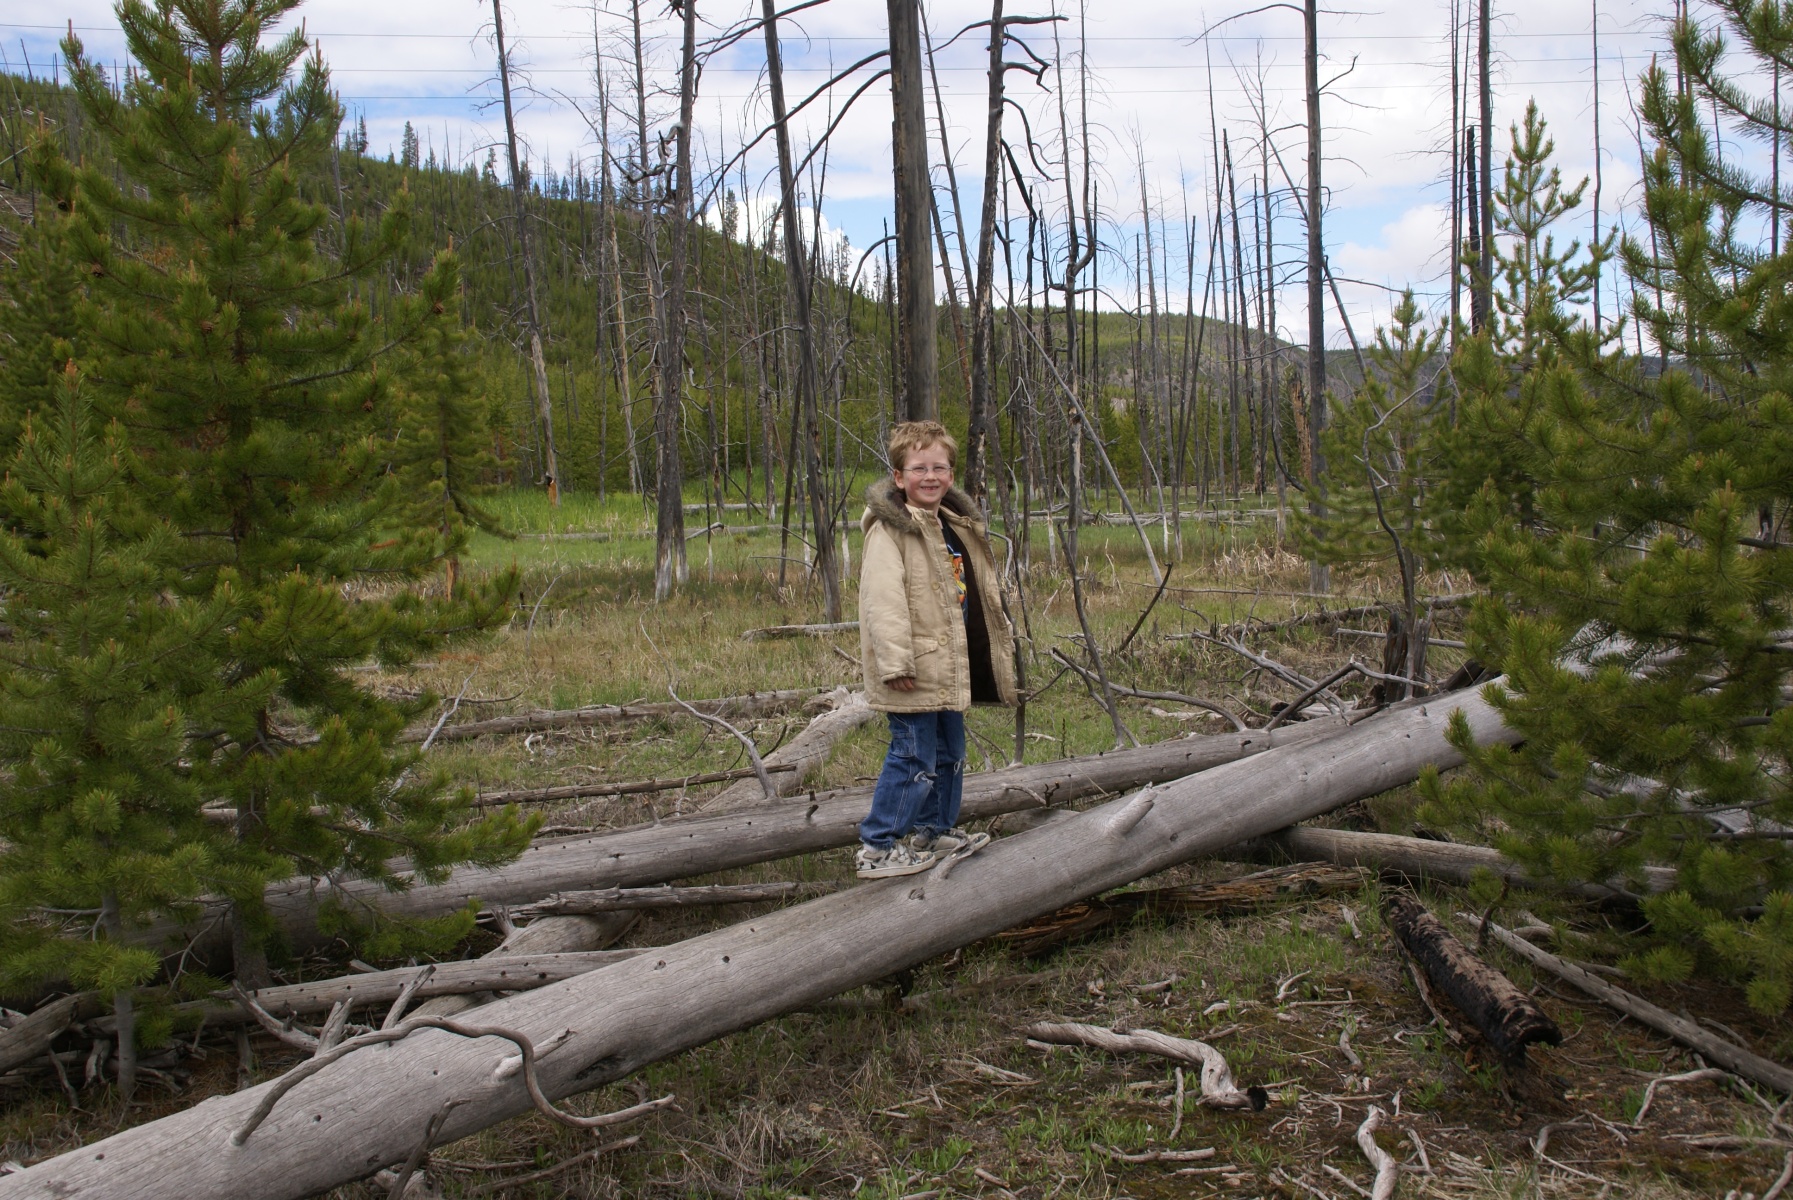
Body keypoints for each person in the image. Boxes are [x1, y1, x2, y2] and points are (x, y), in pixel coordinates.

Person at [855, 421, 1018, 878]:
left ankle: (933, 830)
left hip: (947, 665)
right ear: (898, 476)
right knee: (913, 756)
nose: (930, 476)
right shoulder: (889, 531)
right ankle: (877, 847)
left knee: (949, 753)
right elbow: (883, 602)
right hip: (912, 668)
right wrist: (895, 662)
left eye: (939, 468)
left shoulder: (951, 525)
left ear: (951, 474)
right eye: (919, 468)